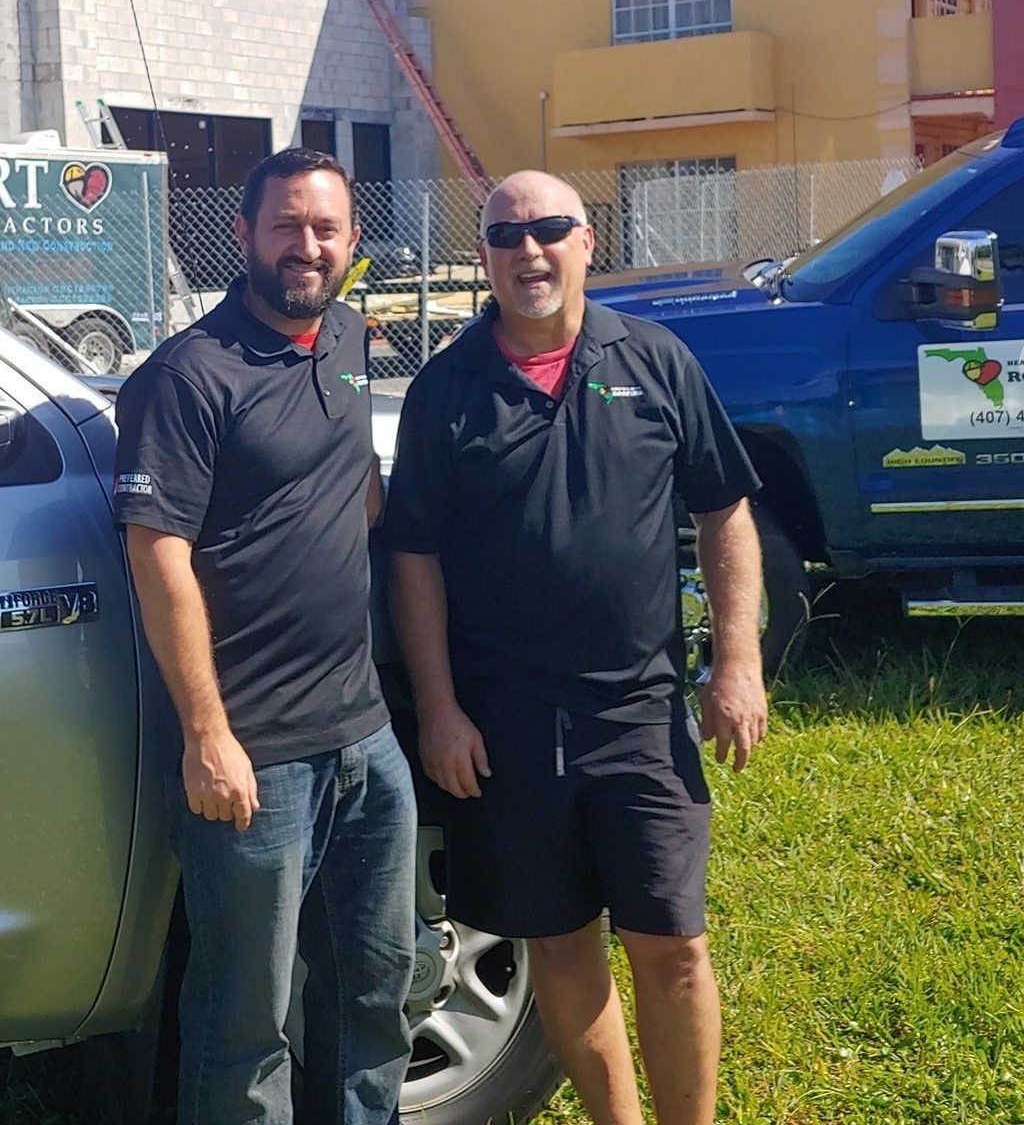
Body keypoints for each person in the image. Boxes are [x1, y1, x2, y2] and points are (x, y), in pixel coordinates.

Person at [384, 169, 768, 1125]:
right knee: (558, 945)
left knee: (673, 947)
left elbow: (724, 510)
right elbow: (413, 555)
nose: (529, 250)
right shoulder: (445, 390)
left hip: (639, 713)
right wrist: (439, 709)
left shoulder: (656, 359)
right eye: (506, 236)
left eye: (550, 228)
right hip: (506, 722)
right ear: (483, 258)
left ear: (587, 241)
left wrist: (738, 662)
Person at [113, 146, 416, 1125]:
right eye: (286, 225)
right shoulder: (186, 377)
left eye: (326, 228)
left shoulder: (351, 338)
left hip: (365, 731)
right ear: (243, 234)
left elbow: (355, 483)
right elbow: (156, 555)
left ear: (353, 242)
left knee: (376, 990)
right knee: (246, 1021)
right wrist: (208, 736)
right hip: (255, 756)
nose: (306, 246)